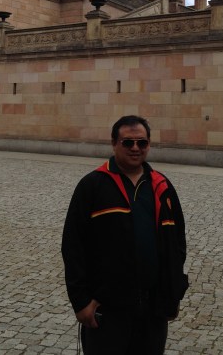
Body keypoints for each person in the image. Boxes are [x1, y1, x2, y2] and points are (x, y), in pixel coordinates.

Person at [61, 115, 188, 355]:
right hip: (107, 309)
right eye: (128, 142)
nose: (135, 148)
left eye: (142, 142)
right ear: (114, 143)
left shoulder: (162, 187)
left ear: (149, 144)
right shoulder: (92, 185)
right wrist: (81, 302)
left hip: (152, 309)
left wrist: (173, 293)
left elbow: (177, 244)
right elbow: (73, 245)